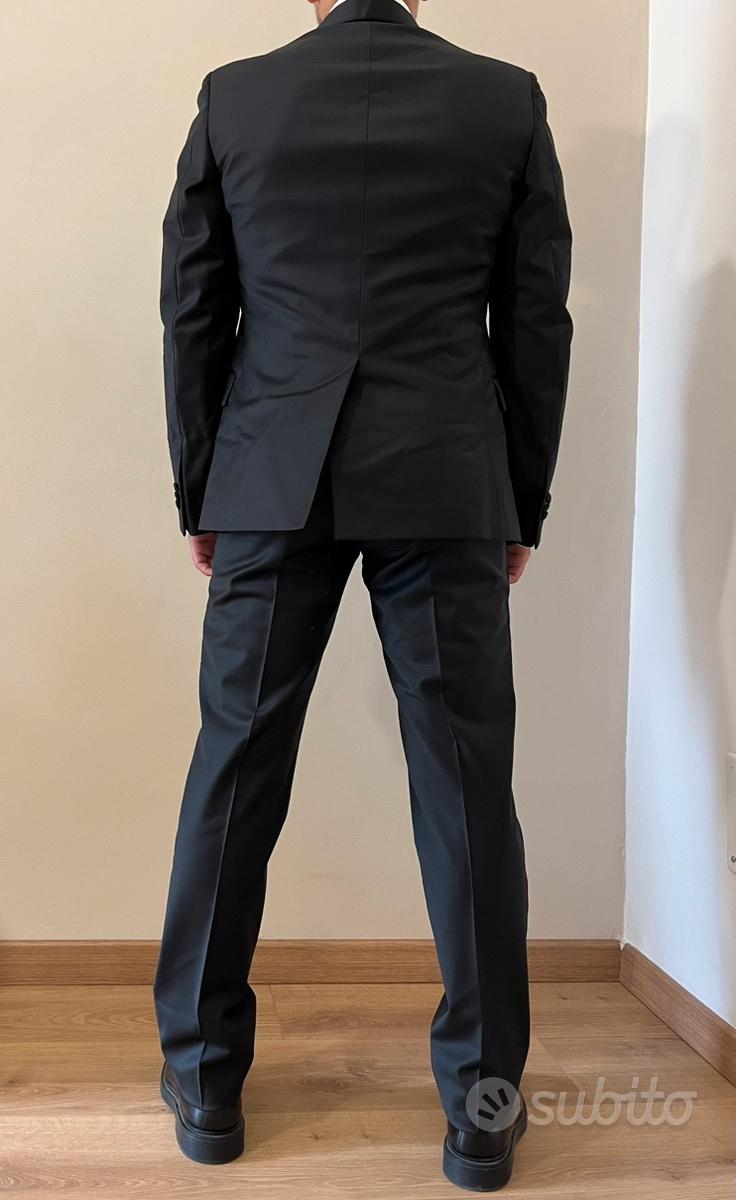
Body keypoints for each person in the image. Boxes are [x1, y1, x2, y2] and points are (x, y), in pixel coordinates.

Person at [153, 0, 573, 1189]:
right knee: (464, 786)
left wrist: (202, 490)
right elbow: (534, 322)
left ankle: (205, 1082)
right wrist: (517, 501)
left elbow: (194, 308)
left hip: (268, 476)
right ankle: (482, 1111)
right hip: (443, 477)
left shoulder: (238, 96)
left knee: (234, 769)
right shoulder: (503, 99)